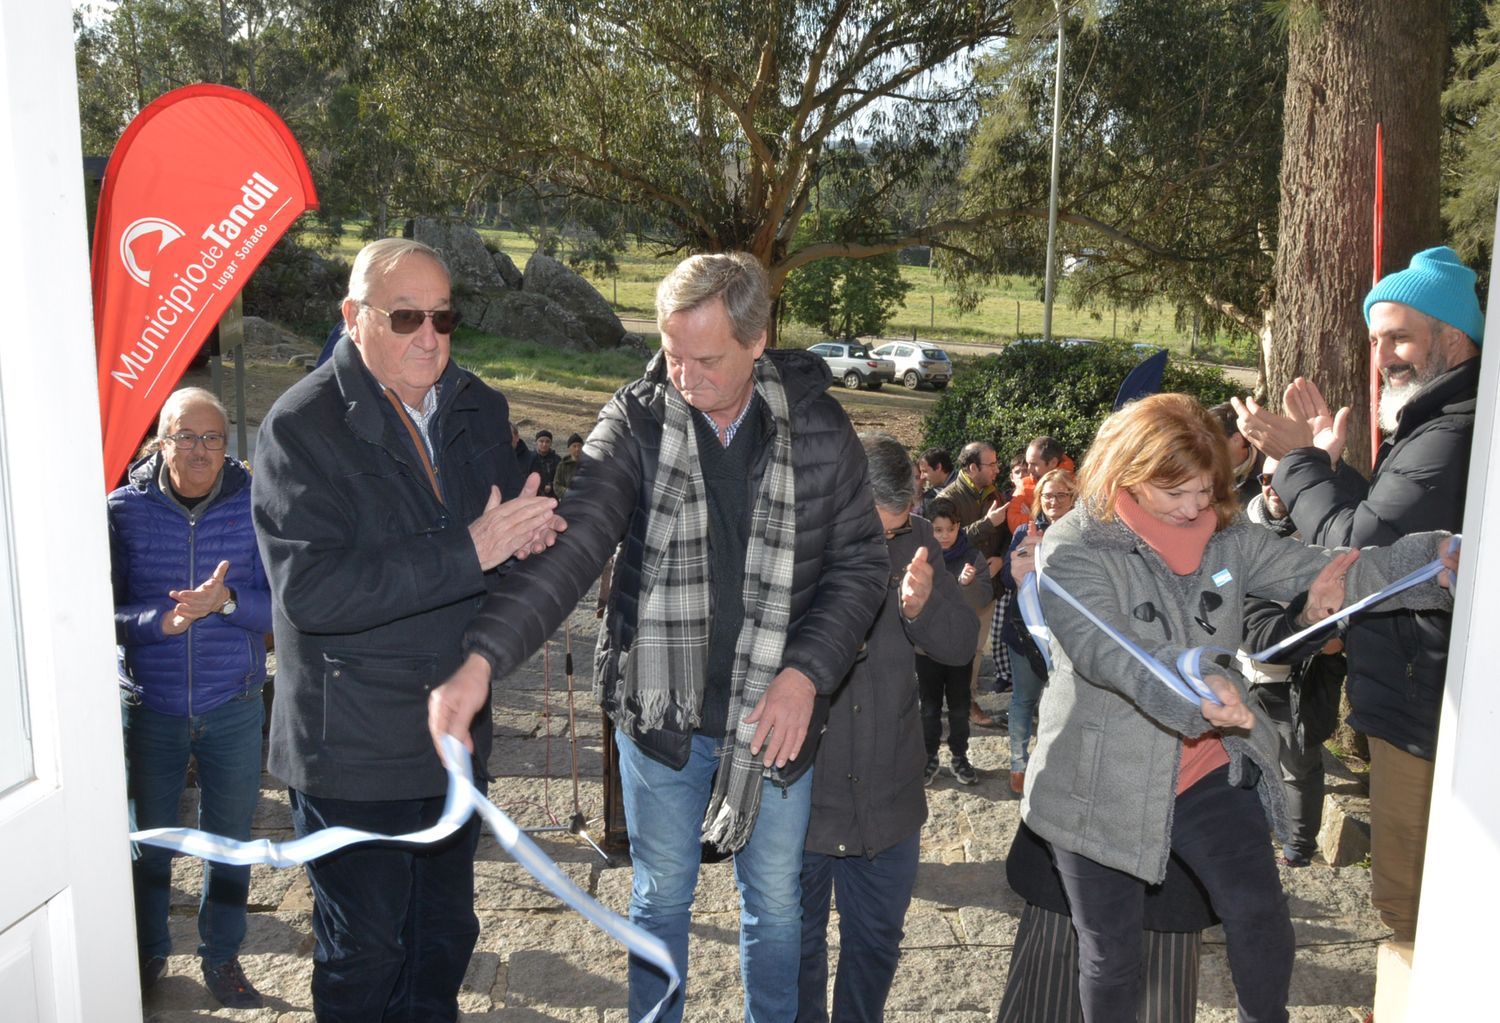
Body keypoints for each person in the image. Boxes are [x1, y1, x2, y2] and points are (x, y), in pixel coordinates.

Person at [428, 251, 888, 1023]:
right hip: (658, 715)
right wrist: (483, 658)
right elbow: (574, 549)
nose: (683, 375)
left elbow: (859, 564)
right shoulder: (636, 418)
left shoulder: (818, 424)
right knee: (660, 894)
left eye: (706, 359)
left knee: (775, 906)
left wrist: (806, 673)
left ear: (757, 340)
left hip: (776, 716)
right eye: (671, 352)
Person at [1024, 392, 1457, 1022]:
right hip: (1096, 782)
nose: (1198, 507)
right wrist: (1198, 675)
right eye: (1179, 494)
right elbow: (1110, 653)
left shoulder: (1228, 535)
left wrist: (1428, 564)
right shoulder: (1072, 547)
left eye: (1207, 489)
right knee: (1111, 954)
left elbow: (1327, 568)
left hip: (1206, 767)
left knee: (1259, 913)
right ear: (1130, 476)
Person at [251, 238, 563, 1022]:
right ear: (353, 319)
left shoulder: (479, 407)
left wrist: (519, 540)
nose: (430, 334)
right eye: (406, 316)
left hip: (449, 736)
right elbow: (311, 592)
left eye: (444, 315)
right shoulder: (299, 428)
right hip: (351, 748)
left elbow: (491, 545)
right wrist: (472, 549)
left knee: (442, 939)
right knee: (367, 952)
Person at [1233, 244, 1482, 942]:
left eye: (1399, 336)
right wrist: (1324, 466)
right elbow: (1383, 525)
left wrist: (1298, 464)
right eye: (1375, 340)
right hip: (1420, 694)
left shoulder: (1454, 433)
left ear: (1453, 336)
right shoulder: (1436, 422)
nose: (1383, 358)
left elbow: (1360, 543)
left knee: (1405, 905)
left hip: (1425, 703)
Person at [797, 435, 977, 1023]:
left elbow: (956, 646)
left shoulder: (919, 541)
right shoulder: (793, 536)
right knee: (795, 953)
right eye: (873, 527)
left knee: (874, 950)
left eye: (894, 529)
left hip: (887, 798)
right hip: (802, 795)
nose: (884, 541)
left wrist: (924, 607)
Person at [109, 386, 271, 1008]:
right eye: (185, 436)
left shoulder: (256, 504)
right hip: (150, 705)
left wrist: (224, 604)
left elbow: (281, 607)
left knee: (229, 842)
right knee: (147, 844)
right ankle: (147, 955)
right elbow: (100, 614)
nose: (200, 450)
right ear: (160, 440)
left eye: (212, 438)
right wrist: (161, 623)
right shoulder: (121, 511)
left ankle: (222, 957)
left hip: (233, 702)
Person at [1238, 455, 1347, 868]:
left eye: (1283, 478)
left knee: (1298, 766)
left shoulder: (1323, 531)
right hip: (1242, 670)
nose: (1272, 487)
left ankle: (1298, 852)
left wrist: (1335, 643)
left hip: (1301, 674)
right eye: (1266, 477)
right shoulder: (1239, 531)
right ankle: (1252, 841)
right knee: (1241, 762)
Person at [1001, 468, 1076, 794]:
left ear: (1073, 498)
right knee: (1024, 700)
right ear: (1038, 500)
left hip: (1069, 637)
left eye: (1062, 495)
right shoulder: (1024, 532)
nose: (1054, 501)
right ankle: (1018, 765)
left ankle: (1055, 765)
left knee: (1062, 705)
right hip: (1025, 633)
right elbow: (1005, 580)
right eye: (1048, 496)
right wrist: (1019, 567)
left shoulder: (1083, 535)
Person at [916, 497, 989, 786]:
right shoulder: (920, 558)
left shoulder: (972, 557)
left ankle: (960, 756)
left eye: (950, 528)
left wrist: (968, 586)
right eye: (937, 529)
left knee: (960, 708)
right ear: (927, 529)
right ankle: (929, 756)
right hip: (926, 648)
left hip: (960, 649)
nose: (944, 536)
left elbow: (983, 598)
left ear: (959, 526)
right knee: (929, 708)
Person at [936, 442, 1008, 728]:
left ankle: (966, 700)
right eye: (991, 465)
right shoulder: (948, 498)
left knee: (976, 648)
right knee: (948, 646)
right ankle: (939, 700)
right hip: (954, 589)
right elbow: (944, 539)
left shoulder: (995, 493)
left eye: (996, 463)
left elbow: (1008, 532)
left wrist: (1001, 559)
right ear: (972, 468)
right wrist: (987, 523)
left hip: (986, 587)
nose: (997, 469)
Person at [1208, 402, 1261, 506]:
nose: (1205, 445)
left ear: (1236, 439)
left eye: (1213, 440)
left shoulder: (1269, 474)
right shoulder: (1199, 469)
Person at [916, 446, 955, 514]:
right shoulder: (929, 497)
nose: (922, 477)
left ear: (938, 467)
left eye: (925, 471)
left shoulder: (965, 484)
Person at [553, 432, 585, 500]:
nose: (577, 449)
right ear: (569, 448)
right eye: (574, 446)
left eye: (579, 446)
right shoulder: (563, 465)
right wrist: (567, 492)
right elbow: (556, 485)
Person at [533, 428, 562, 496]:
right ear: (536, 442)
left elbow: (561, 478)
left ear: (551, 443)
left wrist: (551, 485)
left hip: (552, 495)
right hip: (534, 495)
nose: (544, 444)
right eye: (541, 441)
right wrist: (541, 486)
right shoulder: (530, 458)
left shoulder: (557, 459)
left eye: (547, 442)